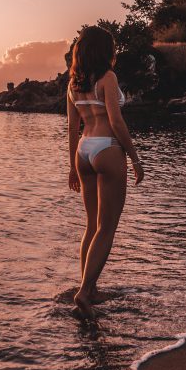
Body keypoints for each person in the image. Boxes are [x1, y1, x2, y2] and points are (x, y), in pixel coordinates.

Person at [67, 25, 144, 320]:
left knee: (91, 226)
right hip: (107, 147)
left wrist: (72, 166)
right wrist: (135, 159)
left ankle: (90, 286)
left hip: (84, 150)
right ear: (105, 51)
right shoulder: (108, 78)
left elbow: (72, 128)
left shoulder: (73, 83)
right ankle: (85, 292)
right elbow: (116, 120)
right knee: (107, 227)